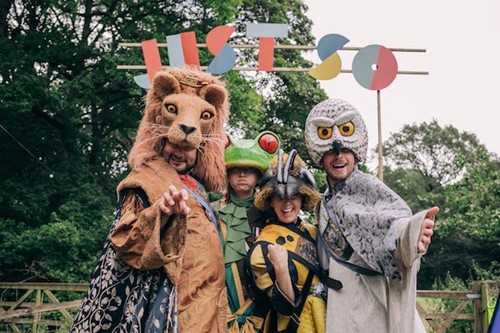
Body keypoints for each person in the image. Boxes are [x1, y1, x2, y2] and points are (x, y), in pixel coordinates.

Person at [70, 67, 229, 333]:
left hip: (209, 311)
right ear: (160, 141)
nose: (180, 153)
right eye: (173, 145)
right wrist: (160, 213)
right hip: (171, 311)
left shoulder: (199, 190)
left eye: (188, 149)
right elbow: (126, 241)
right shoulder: (145, 181)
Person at [304, 98, 439, 333]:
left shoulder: (370, 188)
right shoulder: (324, 200)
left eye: (346, 149)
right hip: (339, 305)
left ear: (356, 151)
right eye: (332, 152)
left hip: (372, 303)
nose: (339, 157)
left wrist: (414, 234)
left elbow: (395, 225)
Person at [246, 149, 333, 333]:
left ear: (302, 198)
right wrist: (281, 269)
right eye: (280, 197)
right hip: (296, 326)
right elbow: (285, 307)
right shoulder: (262, 249)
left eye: (293, 196)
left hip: (328, 318)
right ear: (270, 201)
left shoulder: (313, 231)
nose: (287, 204)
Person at [214, 131, 280, 332]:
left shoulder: (273, 214)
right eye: (236, 170)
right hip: (220, 308)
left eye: (249, 170)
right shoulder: (211, 211)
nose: (242, 175)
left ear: (259, 175)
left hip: (262, 310)